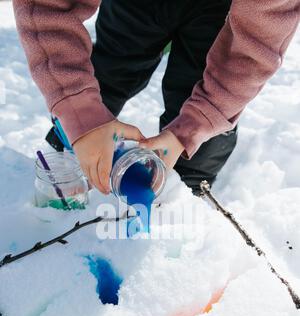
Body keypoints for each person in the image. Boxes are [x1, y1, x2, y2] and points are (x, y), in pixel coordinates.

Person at [13, 0, 299, 195]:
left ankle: (184, 191)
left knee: (204, 116)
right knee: (111, 71)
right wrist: (78, 109)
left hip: (222, 11)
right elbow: (48, 8)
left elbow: (254, 47)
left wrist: (197, 123)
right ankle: (65, 153)